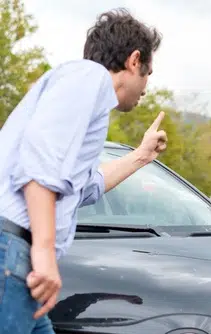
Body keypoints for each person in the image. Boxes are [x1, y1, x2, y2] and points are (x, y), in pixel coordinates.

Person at [0, 8, 166, 334]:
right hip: (13, 250)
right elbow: (40, 163)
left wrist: (142, 156)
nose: (146, 85)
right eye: (148, 72)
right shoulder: (88, 77)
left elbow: (85, 189)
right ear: (135, 61)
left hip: (19, 258)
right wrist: (44, 251)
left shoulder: (84, 93)